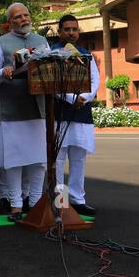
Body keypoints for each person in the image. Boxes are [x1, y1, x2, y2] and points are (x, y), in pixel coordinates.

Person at [0, 3, 51, 217]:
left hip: (38, 108)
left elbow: (50, 69)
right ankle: (16, 205)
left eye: (26, 15)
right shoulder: (0, 43)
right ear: (10, 22)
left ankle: (36, 202)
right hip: (11, 111)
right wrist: (4, 72)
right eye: (18, 17)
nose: (23, 19)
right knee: (14, 161)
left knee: (38, 159)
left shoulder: (42, 41)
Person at [50, 14, 99, 215]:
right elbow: (49, 83)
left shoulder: (86, 54)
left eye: (74, 29)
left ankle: (78, 200)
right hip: (59, 114)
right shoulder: (51, 54)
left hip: (82, 114)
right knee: (58, 159)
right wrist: (72, 98)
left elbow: (95, 80)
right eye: (67, 29)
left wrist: (85, 98)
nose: (71, 33)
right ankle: (60, 202)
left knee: (79, 158)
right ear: (59, 31)